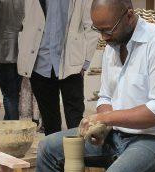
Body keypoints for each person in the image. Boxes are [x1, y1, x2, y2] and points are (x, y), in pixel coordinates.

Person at [35, 0, 155, 172]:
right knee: (47, 148)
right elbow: (106, 97)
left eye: (107, 30)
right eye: (98, 30)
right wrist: (103, 126)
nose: (103, 37)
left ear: (130, 16)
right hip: (118, 135)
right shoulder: (113, 45)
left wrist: (106, 118)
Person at [18, 0, 99, 135]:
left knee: (75, 120)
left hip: (71, 64)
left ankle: (77, 154)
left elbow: (91, 26)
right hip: (40, 63)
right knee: (50, 124)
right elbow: (23, 21)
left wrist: (85, 62)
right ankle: (55, 155)